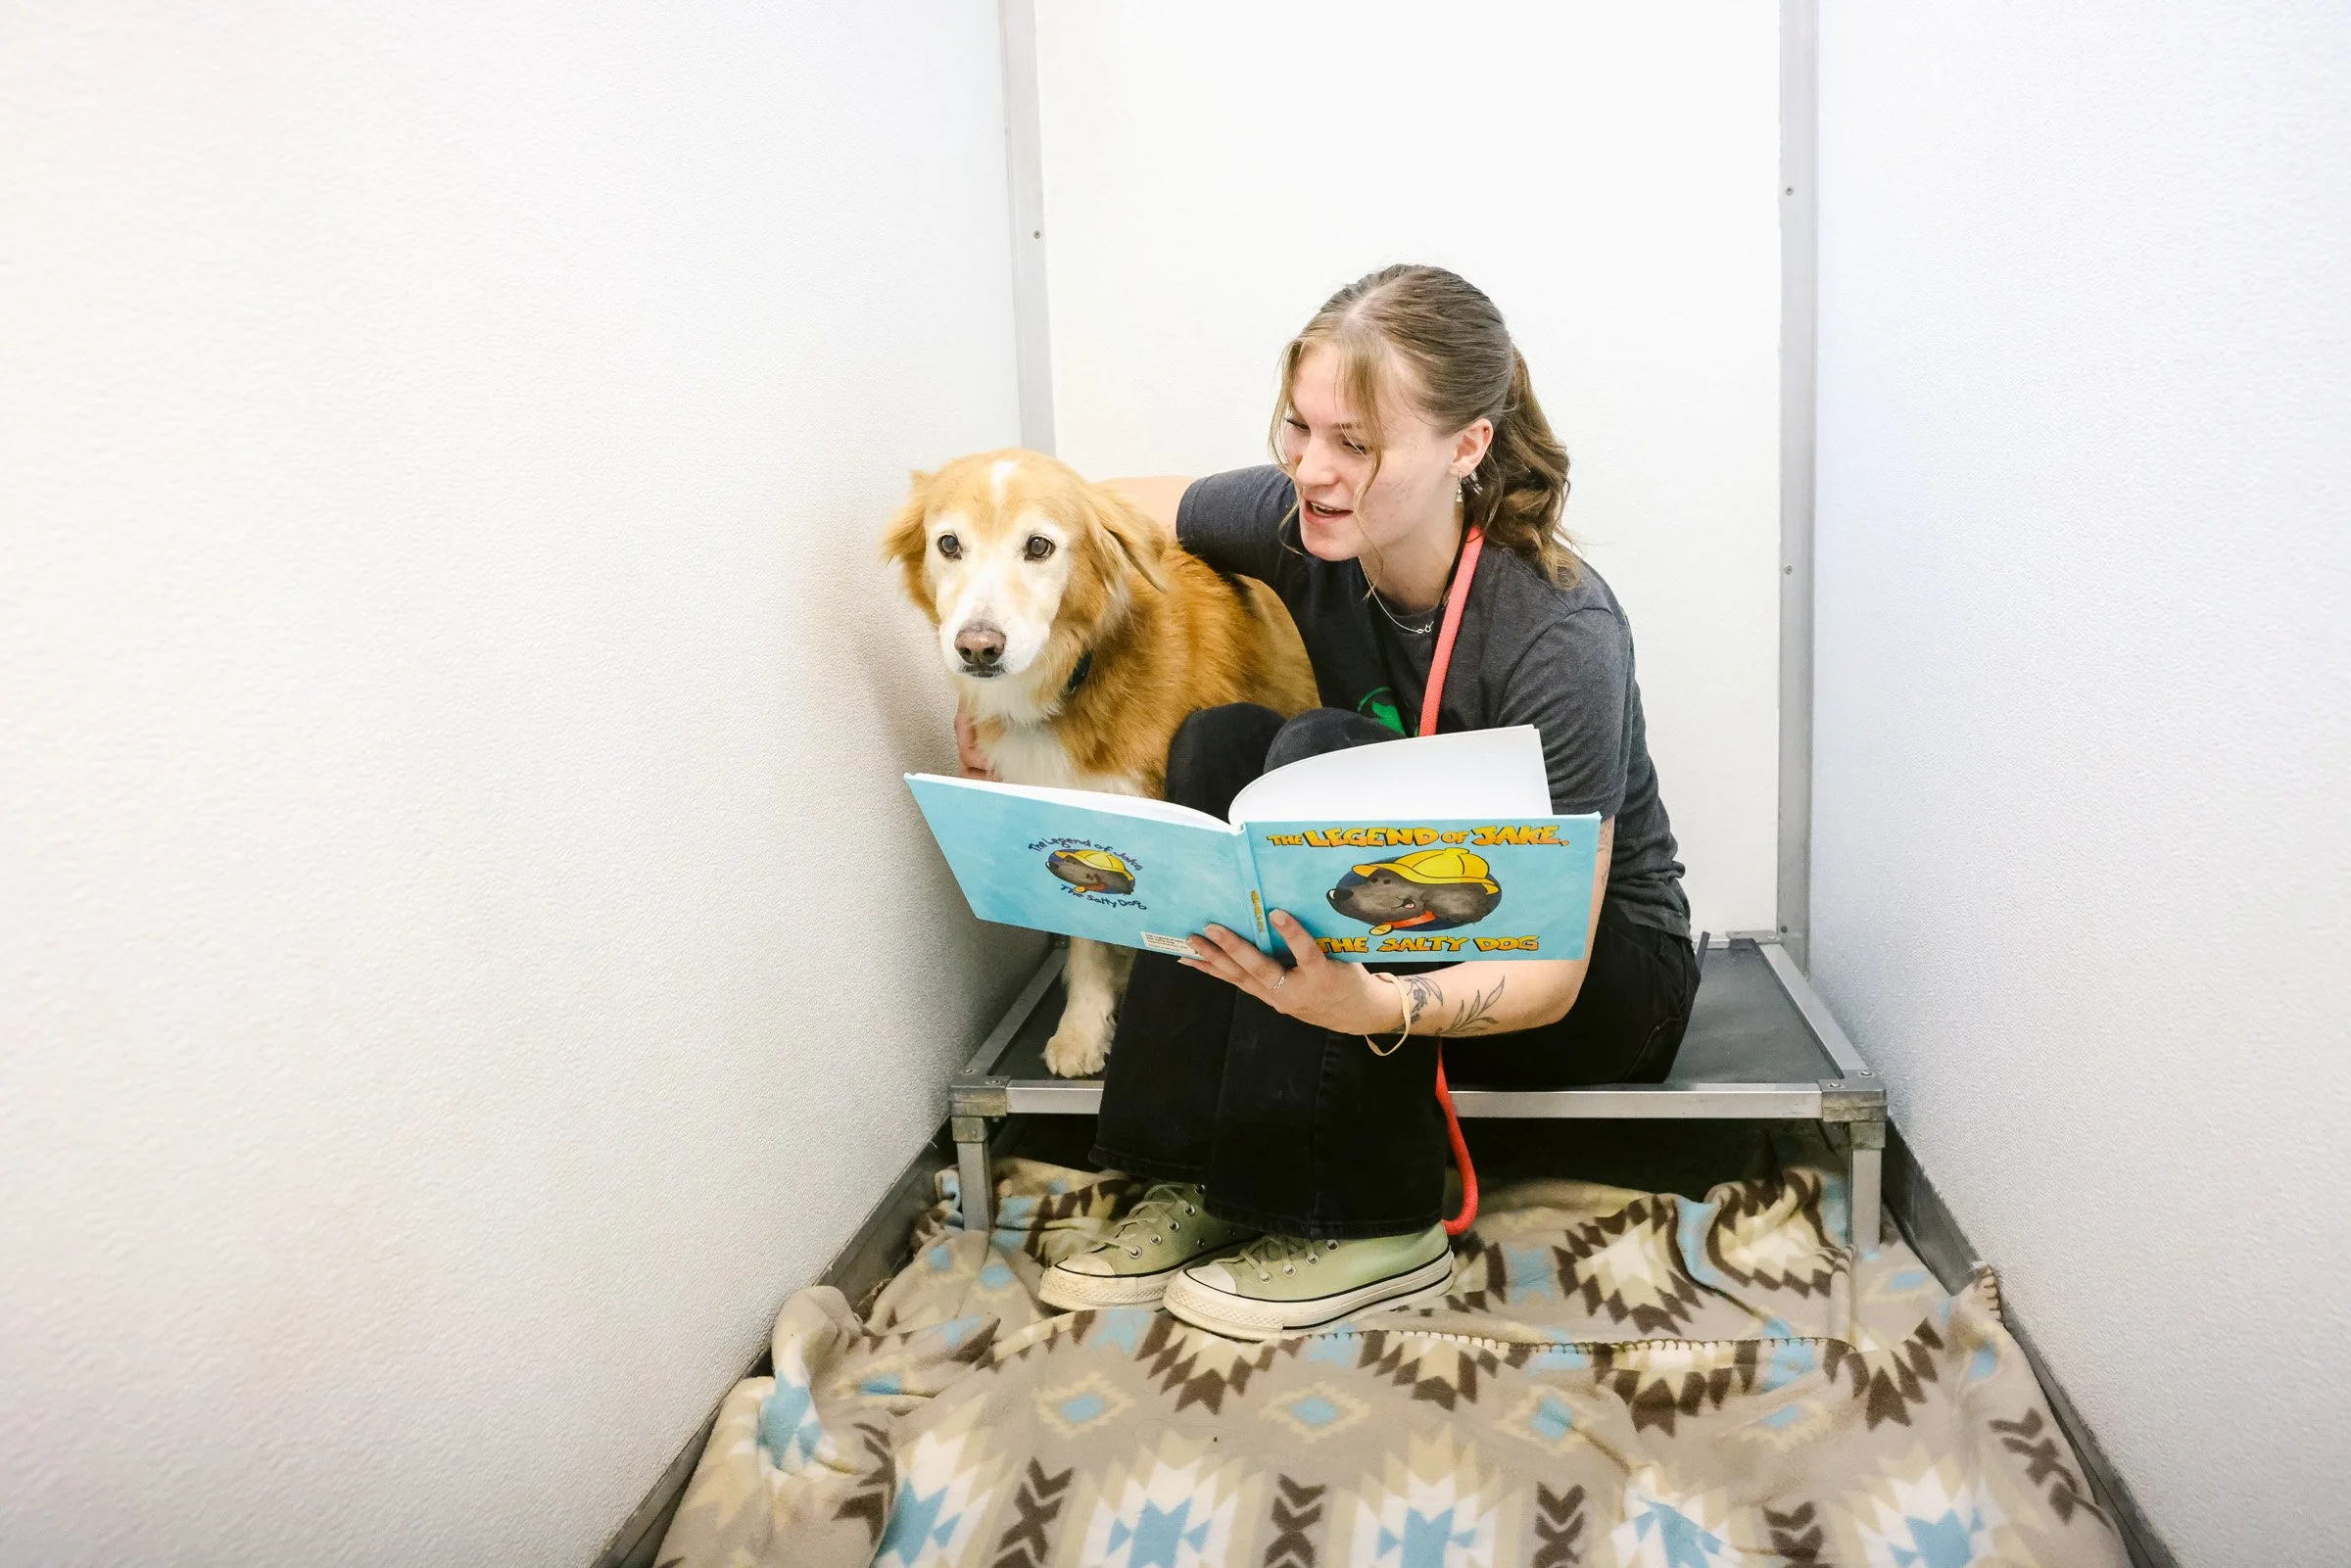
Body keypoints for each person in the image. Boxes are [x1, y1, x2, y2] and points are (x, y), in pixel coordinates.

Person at [1025, 264, 1698, 1340]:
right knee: (1220, 743)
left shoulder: (1559, 631)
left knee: (1324, 749)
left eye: (1356, 444)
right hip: (1406, 939)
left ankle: (1374, 1223)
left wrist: (1378, 1007)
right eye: (1299, 429)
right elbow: (1101, 512)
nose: (1311, 469)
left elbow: (1560, 971)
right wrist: (1008, 674)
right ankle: (1192, 1179)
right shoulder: (1303, 520)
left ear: (1467, 448)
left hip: (1595, 983)